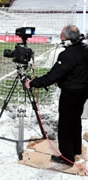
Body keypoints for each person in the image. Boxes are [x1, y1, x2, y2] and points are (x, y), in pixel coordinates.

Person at [25, 25, 88, 166]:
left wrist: (32, 83)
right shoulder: (84, 48)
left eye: (62, 35)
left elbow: (51, 76)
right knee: (75, 120)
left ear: (68, 39)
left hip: (71, 94)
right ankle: (76, 149)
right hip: (82, 92)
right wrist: (63, 80)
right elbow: (78, 70)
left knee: (65, 124)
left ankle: (67, 157)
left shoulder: (68, 54)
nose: (60, 38)